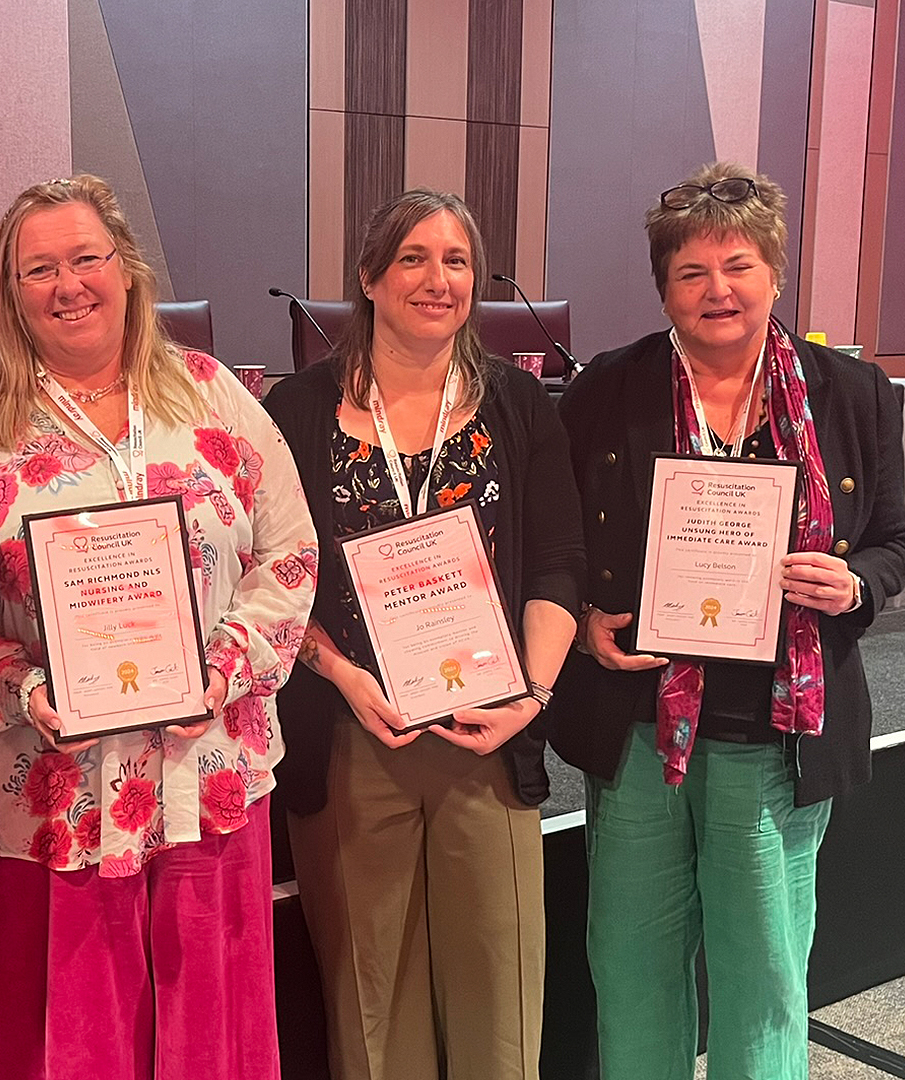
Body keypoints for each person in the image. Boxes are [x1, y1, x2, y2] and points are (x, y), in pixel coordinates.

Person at [546, 162, 905, 1080]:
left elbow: (896, 545)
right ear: (663, 286)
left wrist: (854, 582)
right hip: (639, 727)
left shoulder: (852, 393)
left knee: (763, 972)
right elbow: (555, 541)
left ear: (775, 273)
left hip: (776, 731)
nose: (718, 291)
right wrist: (587, 618)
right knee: (631, 964)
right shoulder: (607, 390)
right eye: (692, 273)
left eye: (739, 265)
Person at [0, 174, 317, 1080]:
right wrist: (25, 688)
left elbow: (292, 552)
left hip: (207, 779)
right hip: (48, 789)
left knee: (212, 1041)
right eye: (40, 268)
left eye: (86, 258)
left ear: (126, 268)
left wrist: (224, 669)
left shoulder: (212, 394)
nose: (68, 284)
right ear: (10, 289)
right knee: (66, 1043)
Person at [262, 188, 586, 1080]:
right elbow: (270, 575)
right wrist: (338, 674)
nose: (436, 279)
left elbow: (559, 562)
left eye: (455, 261)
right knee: (373, 1006)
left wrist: (534, 693)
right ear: (369, 277)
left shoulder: (519, 404)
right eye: (411, 257)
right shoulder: (295, 410)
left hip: (489, 731)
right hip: (353, 732)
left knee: (500, 992)